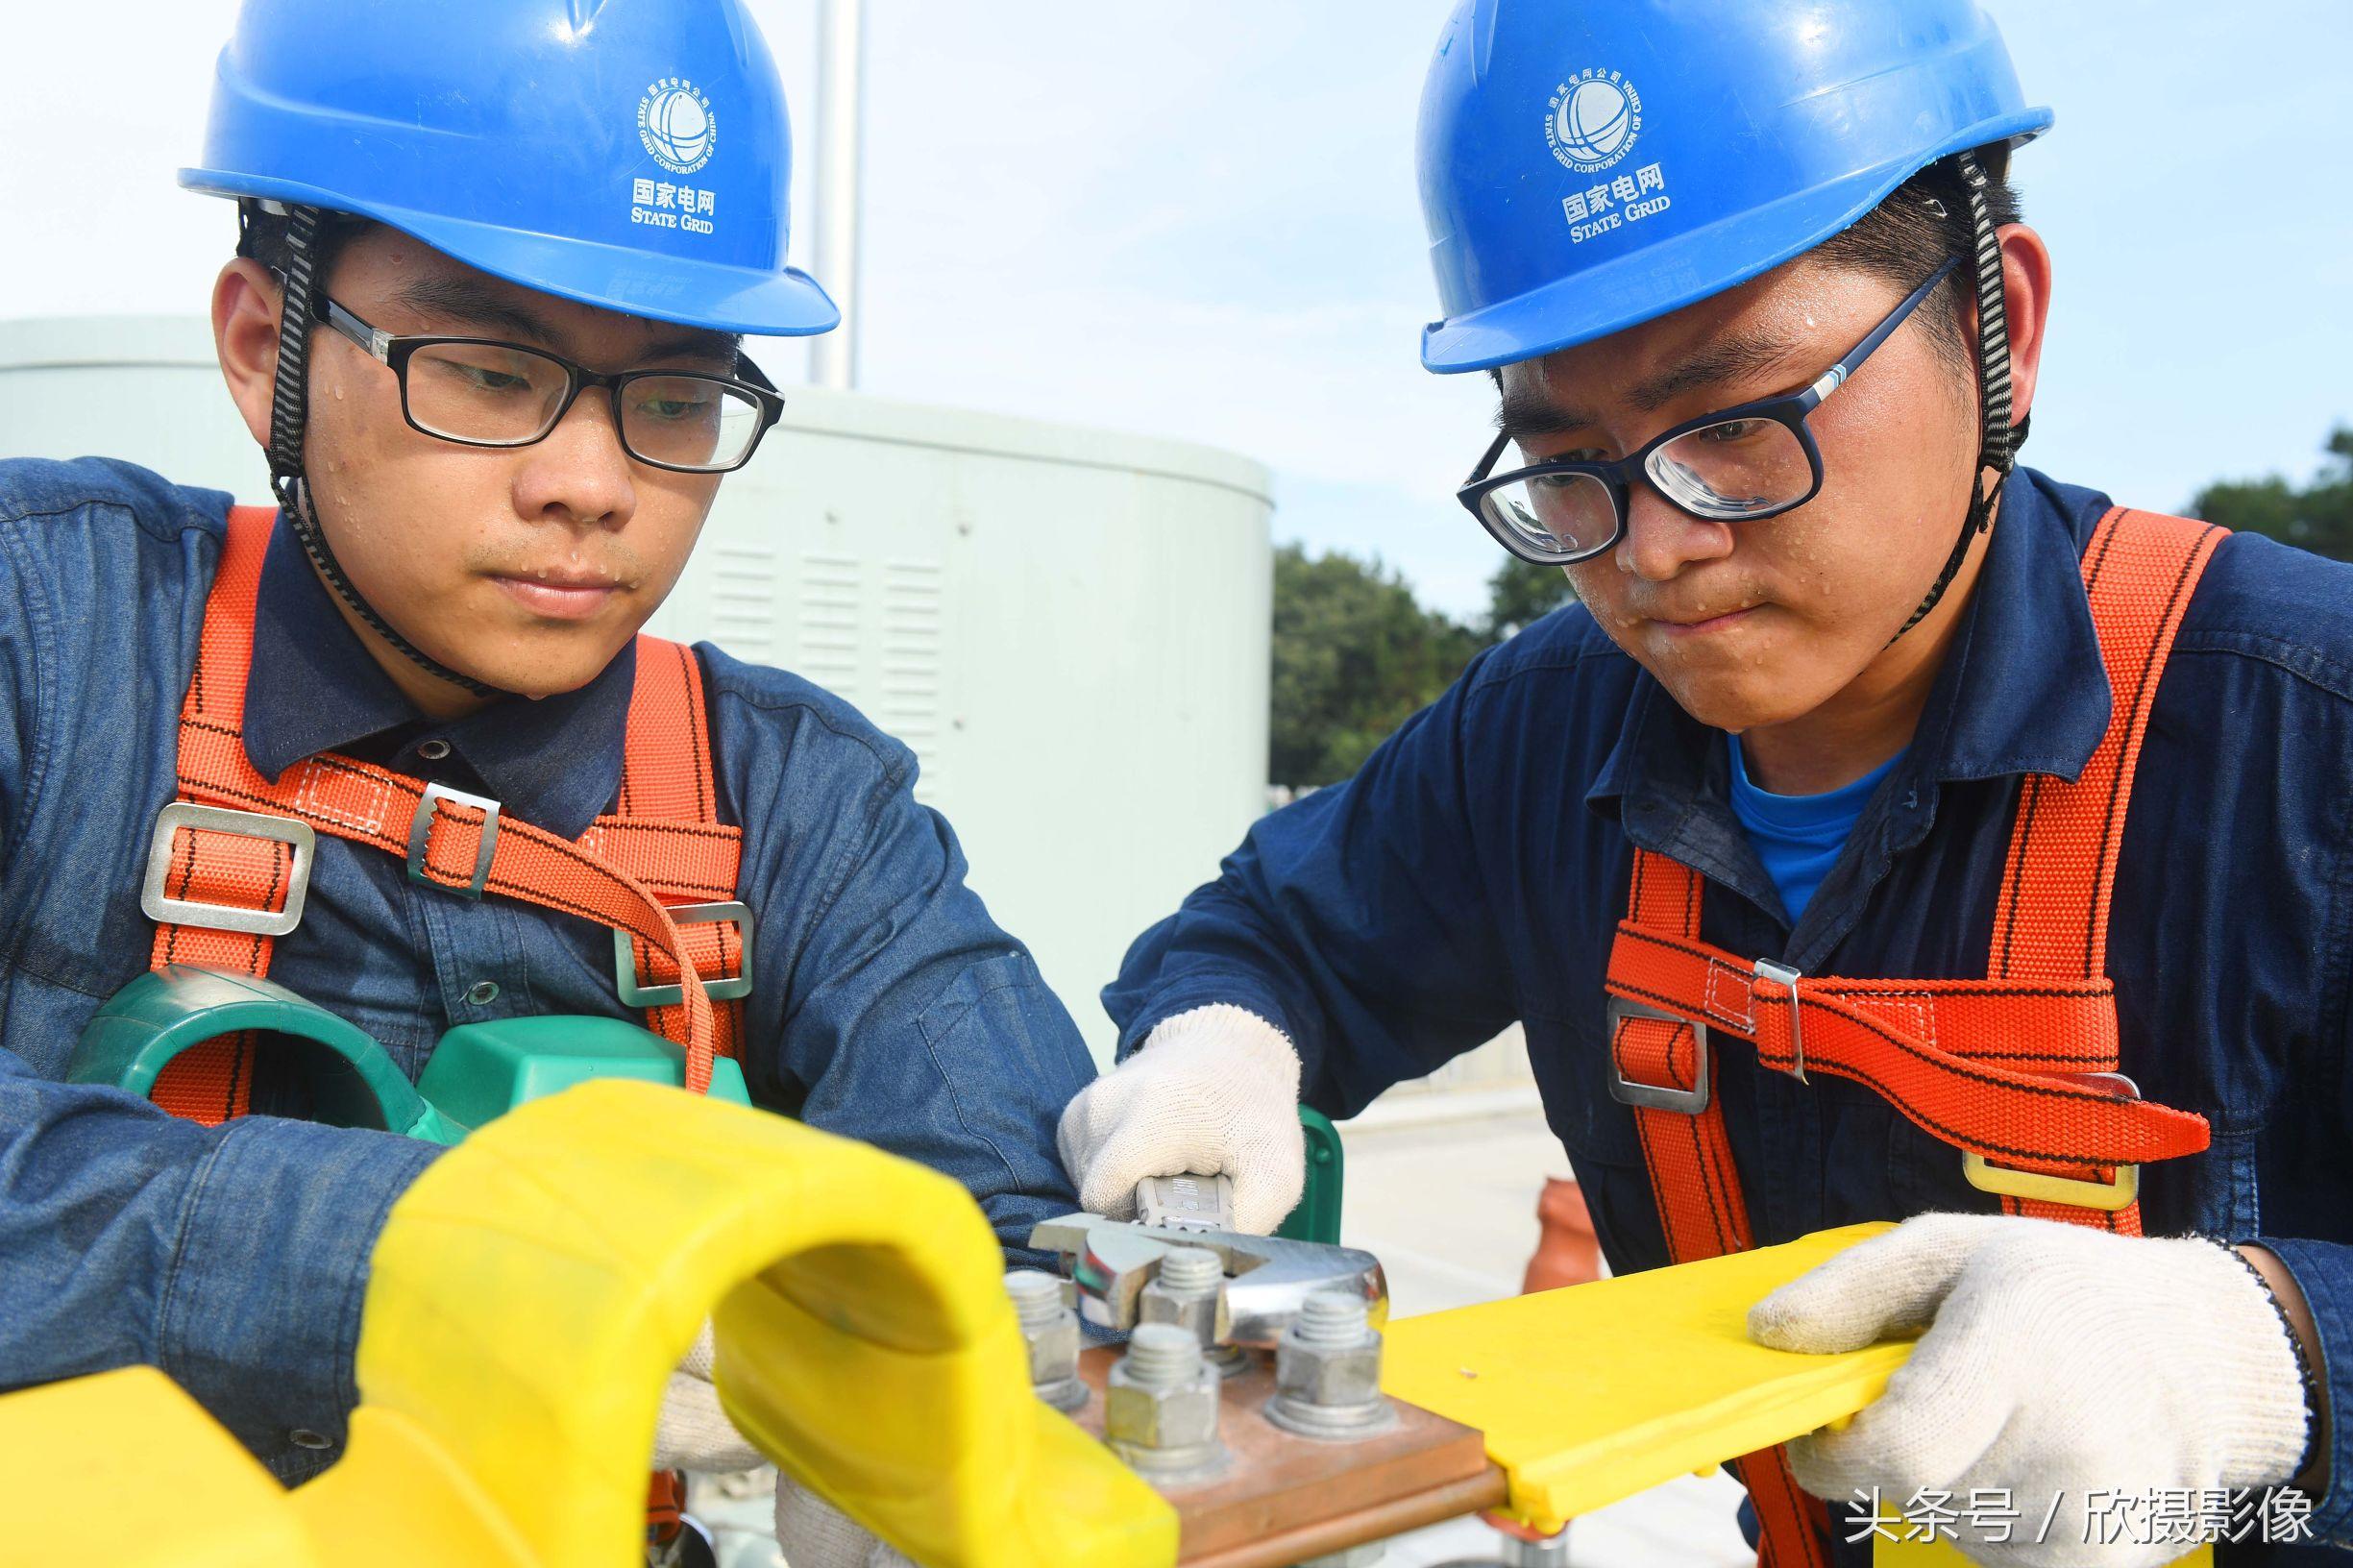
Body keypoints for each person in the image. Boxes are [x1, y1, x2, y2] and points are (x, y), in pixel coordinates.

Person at [1059, 3, 2353, 1562]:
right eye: (1564, 464)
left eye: (1739, 423)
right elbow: (1272, 936)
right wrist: (1219, 1042)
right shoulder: (1544, 731)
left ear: (1996, 318)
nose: (1654, 546)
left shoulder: (2300, 726)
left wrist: (2267, 1349)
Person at [0, 0, 1093, 1546]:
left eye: (672, 399)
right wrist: (437, 1253)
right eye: (491, 371)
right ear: (267, 350)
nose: (590, 488)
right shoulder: (49, 639)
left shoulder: (800, 801)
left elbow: (1003, 1207)